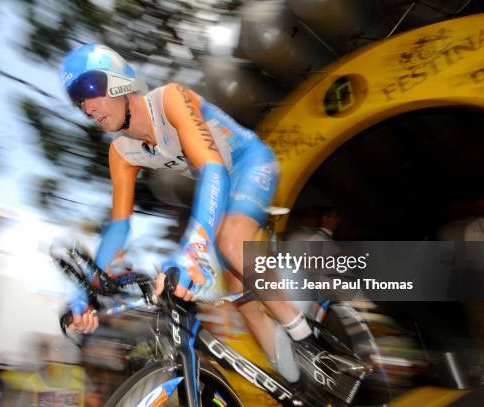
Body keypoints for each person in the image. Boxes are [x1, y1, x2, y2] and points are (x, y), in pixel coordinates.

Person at [59, 43, 363, 393]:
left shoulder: (169, 99)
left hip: (249, 164)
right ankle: (301, 390)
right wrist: (87, 292)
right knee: (246, 305)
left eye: (88, 90)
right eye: (77, 100)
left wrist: (192, 252)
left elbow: (213, 170)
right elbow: (120, 226)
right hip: (221, 191)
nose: (87, 106)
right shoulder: (121, 152)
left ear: (119, 82)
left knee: (230, 241)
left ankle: (310, 342)